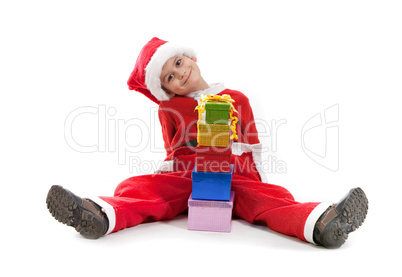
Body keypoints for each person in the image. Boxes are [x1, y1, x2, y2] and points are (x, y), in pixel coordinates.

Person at [46, 37, 368, 248]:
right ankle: (98, 214)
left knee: (272, 198)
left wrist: (252, 178)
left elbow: (252, 145)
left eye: (178, 63)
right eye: (169, 77)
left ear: (190, 57)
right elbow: (172, 151)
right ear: (167, 90)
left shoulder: (236, 98)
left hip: (233, 170)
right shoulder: (168, 108)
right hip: (187, 174)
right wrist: (163, 179)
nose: (179, 73)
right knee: (140, 187)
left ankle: (323, 224)